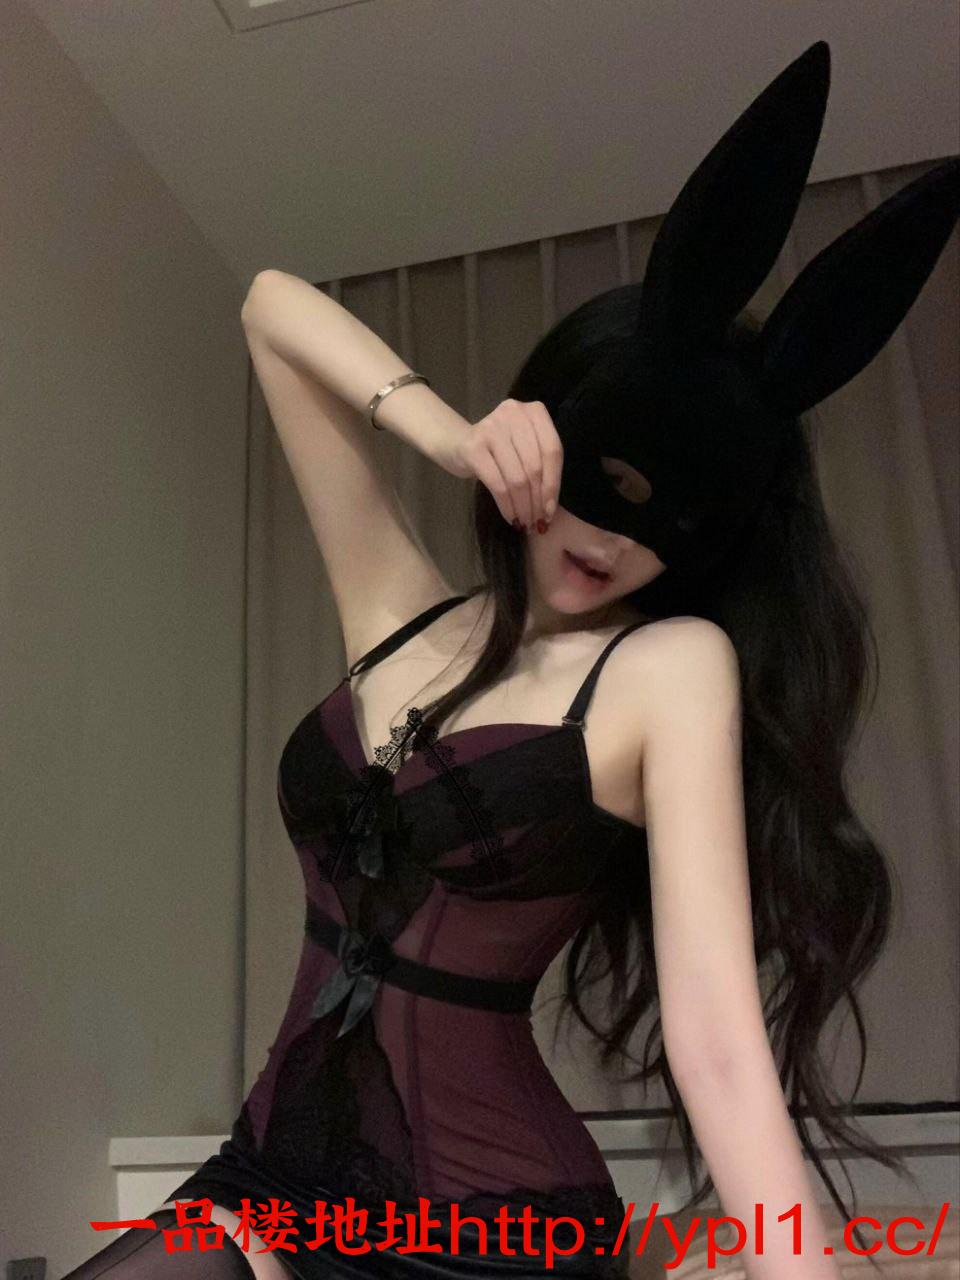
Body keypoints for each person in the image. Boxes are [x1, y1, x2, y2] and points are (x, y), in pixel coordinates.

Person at [62, 41, 959, 1280]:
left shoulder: (670, 666)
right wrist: (451, 434)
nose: (616, 533)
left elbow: (714, 1041)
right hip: (270, 1178)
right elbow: (269, 305)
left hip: (483, 1226)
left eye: (673, 518)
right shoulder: (398, 611)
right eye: (606, 474)